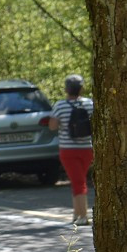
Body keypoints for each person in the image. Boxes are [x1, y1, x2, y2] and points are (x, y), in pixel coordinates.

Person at [48, 74, 95, 225]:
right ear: (81, 89)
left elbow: (52, 126)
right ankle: (76, 213)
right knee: (78, 180)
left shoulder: (60, 105)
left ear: (66, 89)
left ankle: (83, 216)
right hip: (87, 148)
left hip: (68, 150)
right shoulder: (89, 104)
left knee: (78, 182)